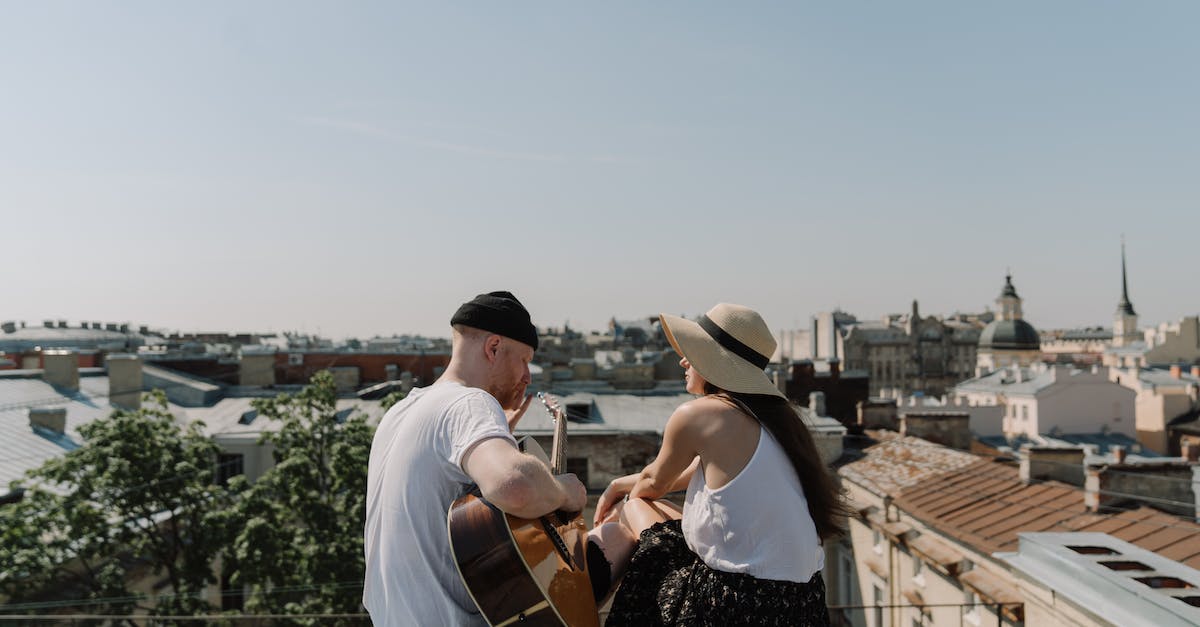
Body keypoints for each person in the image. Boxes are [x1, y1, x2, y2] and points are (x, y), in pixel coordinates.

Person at [589, 303, 848, 626]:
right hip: (803, 606)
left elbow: (653, 484)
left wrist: (621, 492)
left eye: (692, 353)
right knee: (663, 515)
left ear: (715, 363)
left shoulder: (700, 415)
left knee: (636, 506)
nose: (683, 360)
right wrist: (618, 483)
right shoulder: (777, 422)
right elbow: (688, 475)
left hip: (734, 606)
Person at [363, 291, 587, 626]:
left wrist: (497, 438)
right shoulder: (469, 404)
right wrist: (566, 490)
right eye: (525, 361)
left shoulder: (399, 412)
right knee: (620, 540)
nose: (527, 377)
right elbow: (515, 486)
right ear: (493, 347)